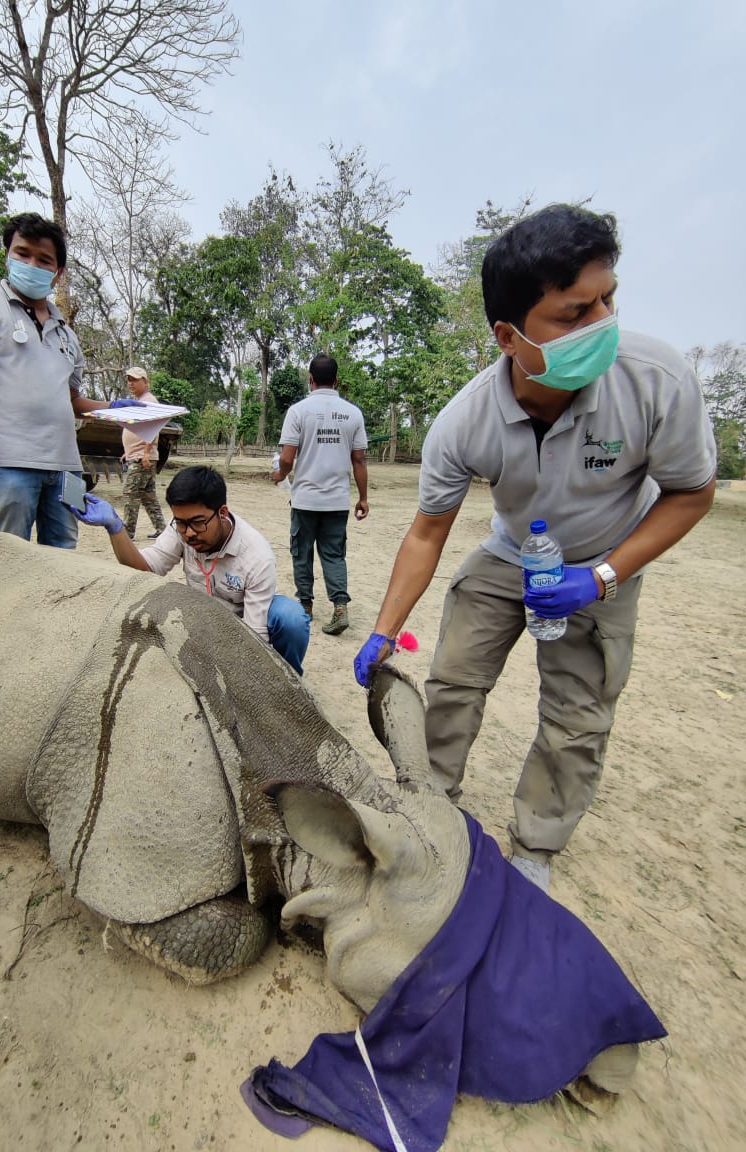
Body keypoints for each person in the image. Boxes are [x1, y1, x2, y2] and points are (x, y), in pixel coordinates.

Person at [354, 203, 717, 893]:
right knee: (454, 679)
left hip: (607, 558)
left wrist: (604, 576)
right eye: (575, 314)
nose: (603, 323)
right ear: (508, 336)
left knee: (576, 717)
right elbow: (428, 531)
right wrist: (383, 629)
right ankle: (430, 805)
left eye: (608, 299)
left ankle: (535, 849)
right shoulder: (464, 422)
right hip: (511, 553)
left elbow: (691, 495)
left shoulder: (657, 381)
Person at [0, 211, 141, 547]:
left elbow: (71, 400)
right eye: (22, 253)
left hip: (65, 468)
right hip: (7, 463)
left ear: (57, 273)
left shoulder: (67, 335)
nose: (32, 264)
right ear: (8, 254)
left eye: (44, 259)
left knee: (63, 557)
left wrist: (112, 408)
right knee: (9, 557)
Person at [70, 464, 310, 675]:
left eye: (197, 522)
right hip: (200, 619)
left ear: (222, 513)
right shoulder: (182, 530)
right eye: (181, 523)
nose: (189, 533)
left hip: (243, 624)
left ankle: (290, 681)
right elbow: (145, 567)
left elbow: (255, 636)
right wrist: (115, 528)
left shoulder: (257, 556)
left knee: (290, 618)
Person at [272, 353, 369, 635]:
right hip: (337, 500)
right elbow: (359, 460)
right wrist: (363, 498)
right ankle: (340, 606)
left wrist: (279, 474)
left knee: (301, 552)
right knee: (334, 554)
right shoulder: (352, 413)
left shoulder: (298, 411)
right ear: (337, 380)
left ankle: (305, 605)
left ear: (310, 379)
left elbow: (288, 458)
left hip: (305, 499)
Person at [120, 366, 167, 541]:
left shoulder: (149, 401)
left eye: (135, 380)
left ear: (145, 382)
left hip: (142, 457)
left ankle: (128, 532)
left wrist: (146, 452)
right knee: (148, 496)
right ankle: (162, 528)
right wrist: (129, 451)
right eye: (129, 380)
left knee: (131, 493)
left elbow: (154, 428)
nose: (131, 383)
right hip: (138, 455)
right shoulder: (140, 401)